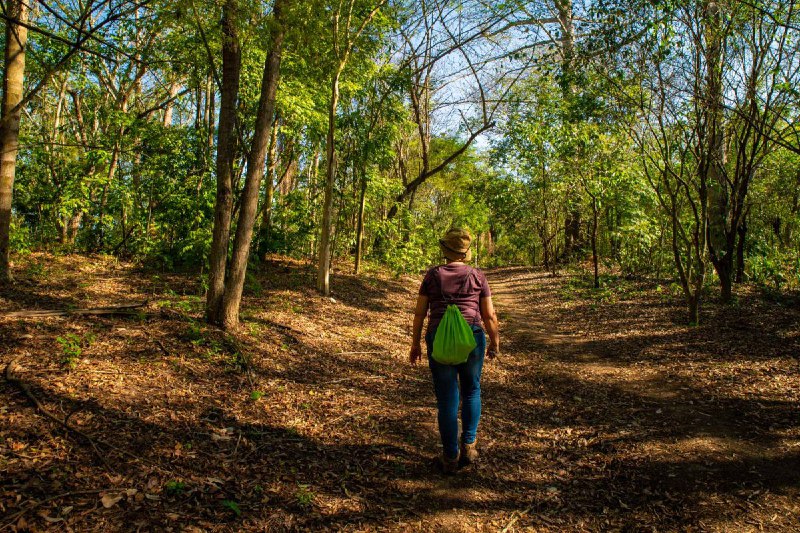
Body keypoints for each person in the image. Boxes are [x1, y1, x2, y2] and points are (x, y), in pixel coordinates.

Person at [410, 228, 500, 474]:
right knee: (471, 390)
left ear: (445, 250)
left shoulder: (432, 276)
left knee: (447, 399)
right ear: (465, 253)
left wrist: (415, 343)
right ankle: (469, 445)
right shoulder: (477, 276)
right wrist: (495, 341)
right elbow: (488, 314)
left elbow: (420, 313)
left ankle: (450, 456)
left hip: (439, 338)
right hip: (472, 337)